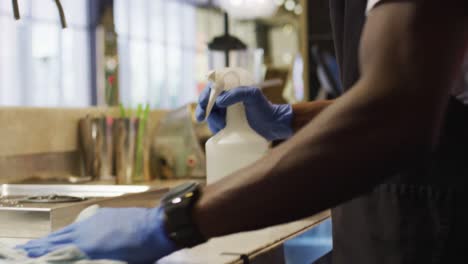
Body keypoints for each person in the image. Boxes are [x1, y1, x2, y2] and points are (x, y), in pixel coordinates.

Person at [19, 0, 468, 263]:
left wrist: (172, 220)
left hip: (431, 231)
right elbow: (431, 94)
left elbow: (397, 110)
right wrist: (289, 117)